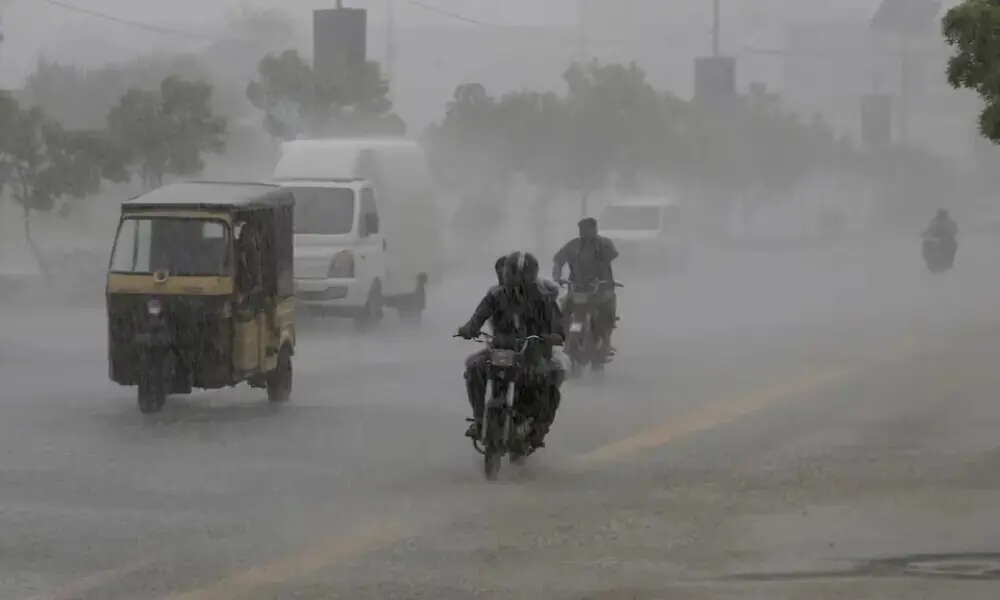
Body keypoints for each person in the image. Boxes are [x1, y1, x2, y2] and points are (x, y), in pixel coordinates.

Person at [457, 252, 566, 449]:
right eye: (513, 273)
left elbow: (558, 327)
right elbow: (477, 318)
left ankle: (539, 424)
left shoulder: (544, 299)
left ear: (531, 274)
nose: (517, 279)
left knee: (550, 376)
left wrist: (553, 337)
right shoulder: (495, 296)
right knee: (474, 367)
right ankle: (480, 418)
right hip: (499, 350)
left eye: (522, 274)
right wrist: (468, 329)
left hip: (532, 353)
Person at [552, 217, 619, 357]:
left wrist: (598, 276)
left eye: (588, 228)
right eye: (582, 229)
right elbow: (558, 260)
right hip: (578, 289)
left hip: (602, 288)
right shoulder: (573, 245)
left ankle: (605, 340)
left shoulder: (604, 244)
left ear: (595, 229)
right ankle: (568, 338)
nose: (585, 232)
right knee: (565, 310)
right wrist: (557, 276)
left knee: (606, 315)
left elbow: (610, 256)